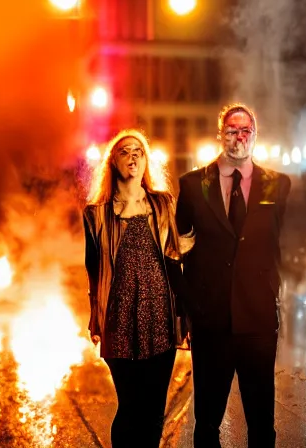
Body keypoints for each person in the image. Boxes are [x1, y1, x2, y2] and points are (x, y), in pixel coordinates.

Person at [176, 103, 291, 448]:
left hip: (257, 316)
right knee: (208, 421)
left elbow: (279, 241)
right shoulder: (195, 185)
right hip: (211, 320)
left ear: (255, 136)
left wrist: (275, 288)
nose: (239, 137)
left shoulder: (277, 185)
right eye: (232, 130)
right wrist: (188, 306)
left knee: (261, 420)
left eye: (246, 131)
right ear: (220, 134)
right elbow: (179, 249)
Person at [83, 129, 193, 448]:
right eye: (125, 151)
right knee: (130, 407)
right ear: (112, 162)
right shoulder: (96, 214)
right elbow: (93, 271)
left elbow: (175, 257)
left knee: (154, 408)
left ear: (146, 162)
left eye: (139, 152)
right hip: (119, 320)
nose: (133, 156)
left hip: (159, 314)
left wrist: (185, 315)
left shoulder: (162, 204)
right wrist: (95, 317)